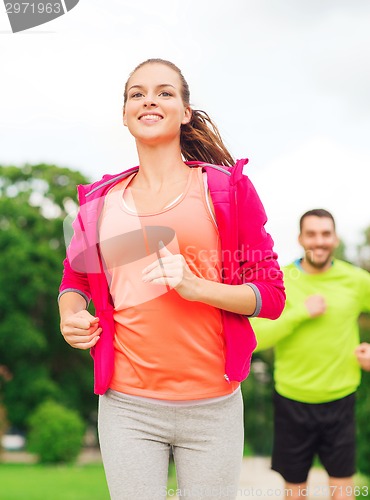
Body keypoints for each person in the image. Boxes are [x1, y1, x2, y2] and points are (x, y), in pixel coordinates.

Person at [58, 58, 285, 499]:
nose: (149, 100)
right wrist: (72, 315)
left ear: (185, 112)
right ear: (125, 115)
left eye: (164, 92)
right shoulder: (99, 204)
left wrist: (198, 287)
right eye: (136, 93)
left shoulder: (226, 190)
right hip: (127, 405)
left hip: (212, 406)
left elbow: (271, 295)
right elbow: (75, 280)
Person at [251, 208, 370, 500]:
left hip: (340, 399)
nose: (319, 241)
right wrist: (300, 313)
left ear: (335, 238)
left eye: (325, 234)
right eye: (312, 234)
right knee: (295, 493)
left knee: (343, 493)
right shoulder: (281, 279)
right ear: (300, 238)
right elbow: (255, 337)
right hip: (292, 399)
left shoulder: (355, 279)